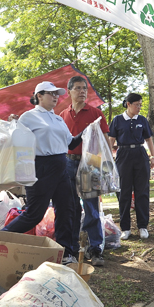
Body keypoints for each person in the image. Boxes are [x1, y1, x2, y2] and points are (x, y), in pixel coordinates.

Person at [1, 81, 80, 264]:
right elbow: (14, 138)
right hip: (40, 167)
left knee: (67, 209)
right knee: (34, 214)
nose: (55, 96)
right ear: (39, 96)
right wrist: (13, 122)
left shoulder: (58, 119)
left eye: (57, 94)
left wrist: (89, 131)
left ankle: (65, 252)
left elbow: (71, 143)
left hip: (62, 165)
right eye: (51, 93)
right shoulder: (29, 117)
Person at [60, 75, 110, 267]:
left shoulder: (96, 113)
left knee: (91, 207)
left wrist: (106, 164)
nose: (82, 92)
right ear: (70, 91)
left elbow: (105, 140)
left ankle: (95, 248)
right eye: (78, 88)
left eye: (85, 89)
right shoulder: (63, 115)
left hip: (91, 163)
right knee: (71, 207)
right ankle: (72, 248)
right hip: (68, 162)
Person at [108, 93, 154, 241]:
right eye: (137, 105)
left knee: (142, 191)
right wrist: (109, 157)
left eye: (141, 105)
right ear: (128, 104)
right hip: (123, 155)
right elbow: (111, 139)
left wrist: (152, 156)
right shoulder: (117, 120)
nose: (139, 107)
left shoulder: (142, 120)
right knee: (124, 192)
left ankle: (143, 226)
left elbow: (148, 138)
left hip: (140, 154)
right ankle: (126, 228)